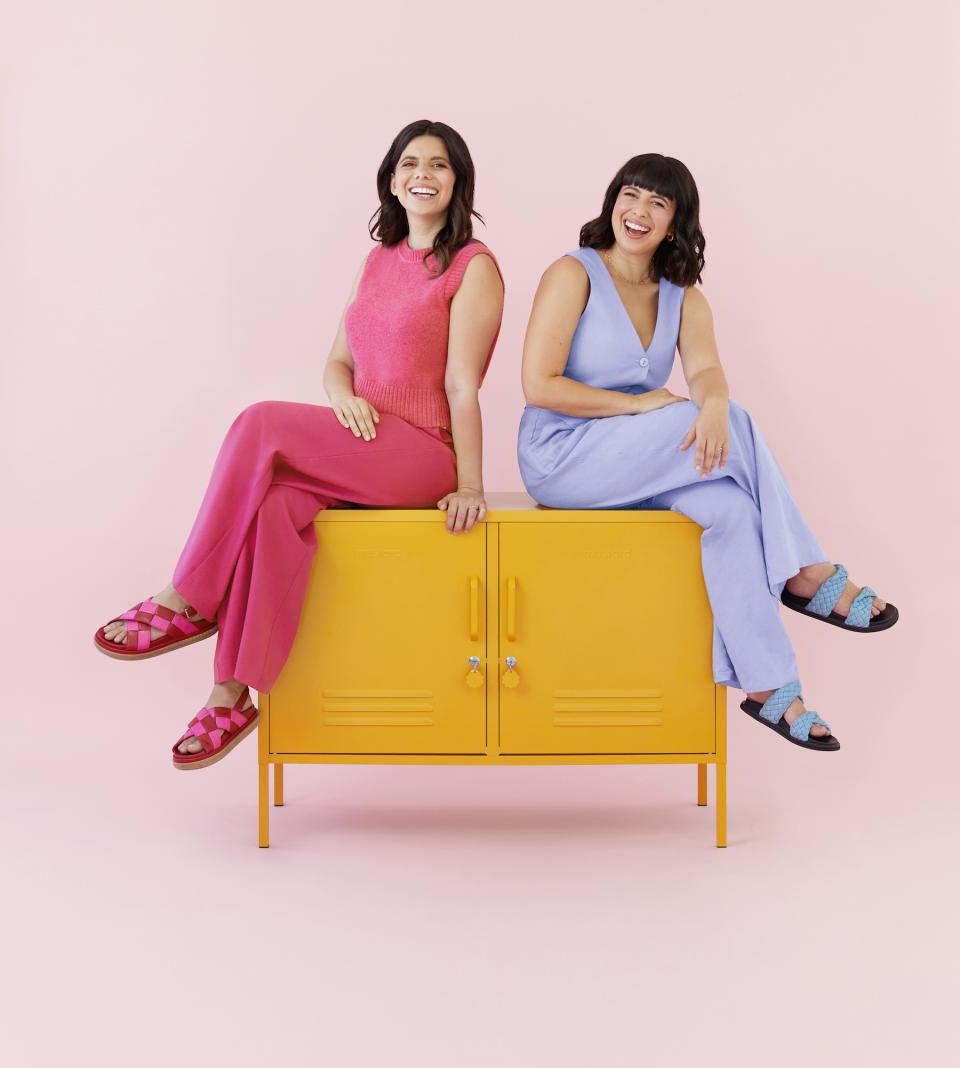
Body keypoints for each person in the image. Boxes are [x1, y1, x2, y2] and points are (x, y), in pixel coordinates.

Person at [95, 119, 505, 770]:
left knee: (259, 422)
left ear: (458, 181)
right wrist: (343, 397)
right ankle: (231, 693)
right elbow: (338, 362)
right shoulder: (377, 262)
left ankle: (189, 597)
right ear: (391, 180)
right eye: (409, 163)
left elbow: (462, 384)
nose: (422, 175)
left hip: (422, 454)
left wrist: (472, 484)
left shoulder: (471, 266)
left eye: (438, 164)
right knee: (274, 507)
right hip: (363, 443)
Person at [516, 153, 897, 752]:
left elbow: (706, 371)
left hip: (642, 461)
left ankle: (770, 689)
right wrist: (639, 406)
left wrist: (713, 403)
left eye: (657, 203)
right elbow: (539, 385)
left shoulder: (682, 296)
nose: (638, 211)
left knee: (733, 511)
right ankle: (807, 572)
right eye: (630, 194)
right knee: (717, 422)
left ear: (675, 223)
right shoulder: (574, 274)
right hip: (563, 456)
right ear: (613, 201)